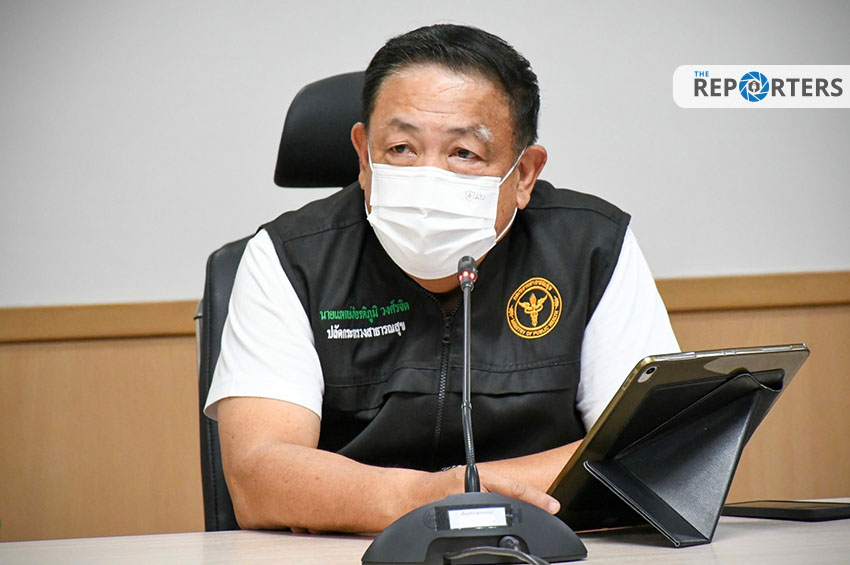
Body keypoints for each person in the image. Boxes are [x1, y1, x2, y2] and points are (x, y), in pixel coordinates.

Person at [204, 24, 678, 534]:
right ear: (363, 155)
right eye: (401, 148)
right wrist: (428, 498)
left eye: (463, 153)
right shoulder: (290, 257)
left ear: (523, 174)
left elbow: (650, 449)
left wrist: (455, 494)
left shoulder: (591, 247)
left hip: (546, 548)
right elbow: (259, 477)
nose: (427, 178)